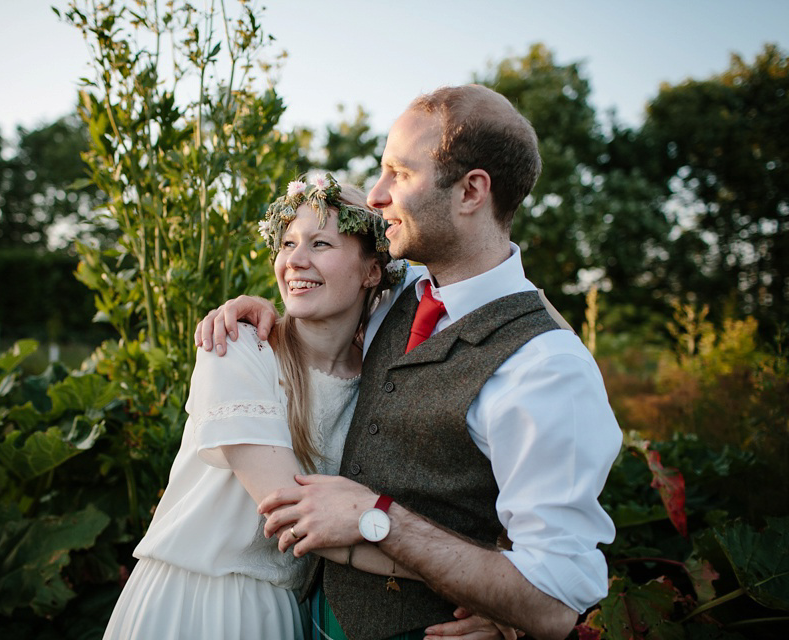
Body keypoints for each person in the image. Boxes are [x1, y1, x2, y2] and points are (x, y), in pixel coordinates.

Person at [195, 85, 623, 640]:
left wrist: (380, 521)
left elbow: (553, 601)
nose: (376, 194)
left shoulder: (545, 369)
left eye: (399, 173)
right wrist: (258, 310)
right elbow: (320, 293)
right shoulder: (402, 288)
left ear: (472, 191)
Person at [103, 175, 498, 640]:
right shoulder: (237, 348)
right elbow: (293, 514)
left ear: (372, 271)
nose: (295, 260)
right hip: (195, 603)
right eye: (287, 242)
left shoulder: (376, 379)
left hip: (283, 612)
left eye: (321, 243)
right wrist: (478, 585)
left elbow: (489, 281)